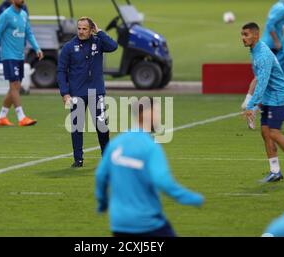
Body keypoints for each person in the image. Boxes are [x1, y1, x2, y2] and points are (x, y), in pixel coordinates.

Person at [95, 98, 204, 237]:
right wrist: (190, 198)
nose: (160, 116)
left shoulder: (116, 143)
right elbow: (162, 181)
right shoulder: (150, 147)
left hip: (119, 223)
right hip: (147, 223)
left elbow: (100, 176)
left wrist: (102, 203)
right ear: (148, 113)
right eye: (157, 111)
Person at [241, 22, 284, 183]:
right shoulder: (255, 51)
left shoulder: (262, 55)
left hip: (278, 96)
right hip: (269, 97)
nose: (243, 38)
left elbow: (262, 82)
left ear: (255, 35)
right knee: (265, 133)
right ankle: (275, 171)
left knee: (274, 132)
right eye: (242, 34)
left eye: (246, 35)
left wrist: (251, 105)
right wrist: (256, 105)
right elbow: (259, 80)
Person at [57, 17, 118, 168]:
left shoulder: (99, 42)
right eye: (79, 28)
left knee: (102, 125)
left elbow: (113, 46)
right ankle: (78, 159)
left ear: (91, 29)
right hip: (77, 93)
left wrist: (100, 32)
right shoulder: (69, 47)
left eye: (85, 29)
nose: (81, 31)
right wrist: (65, 93)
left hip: (96, 91)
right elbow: (61, 71)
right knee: (77, 127)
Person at [241, 0, 284, 129]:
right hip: (271, 45)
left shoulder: (277, 6)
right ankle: (250, 104)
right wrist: (277, 42)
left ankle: (252, 105)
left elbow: (278, 27)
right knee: (265, 78)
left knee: (265, 77)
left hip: (265, 45)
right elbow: (270, 25)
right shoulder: (281, 9)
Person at [0, 0, 43, 127]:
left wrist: (37, 48)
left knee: (16, 87)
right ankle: (21, 117)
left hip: (19, 55)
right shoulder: (5, 15)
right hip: (8, 55)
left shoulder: (23, 14)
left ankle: (2, 117)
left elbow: (29, 33)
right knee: (14, 84)